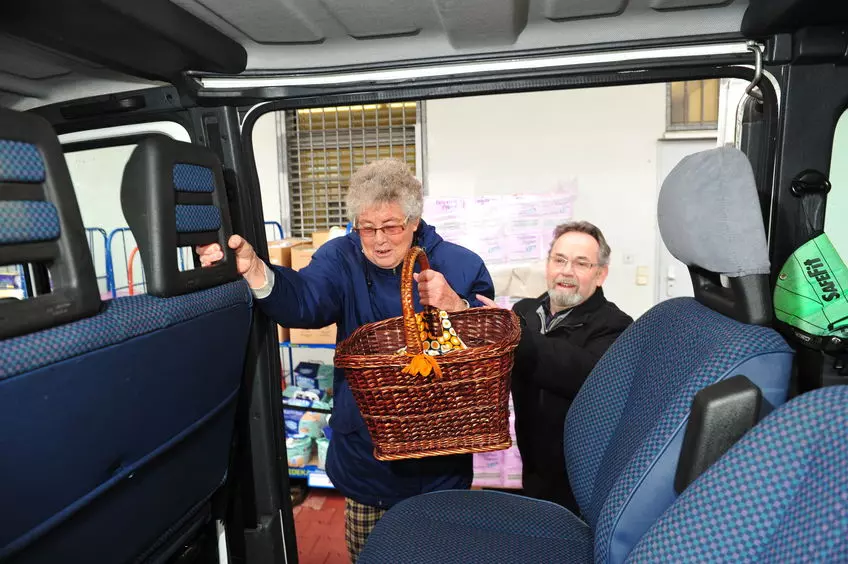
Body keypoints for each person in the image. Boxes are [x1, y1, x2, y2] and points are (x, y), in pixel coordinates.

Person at [197, 158, 494, 562]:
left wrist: (456, 307)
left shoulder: (461, 265)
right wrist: (258, 274)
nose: (379, 240)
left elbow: (490, 354)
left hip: (438, 463)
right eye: (366, 228)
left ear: (414, 221)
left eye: (390, 227)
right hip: (366, 458)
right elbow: (305, 300)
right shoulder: (341, 258)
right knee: (368, 556)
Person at [477, 221, 632, 513]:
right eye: (559, 260)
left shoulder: (617, 326)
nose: (566, 271)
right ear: (548, 265)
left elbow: (578, 371)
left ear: (601, 274)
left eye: (581, 263)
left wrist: (515, 335)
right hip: (531, 466)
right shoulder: (523, 312)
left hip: (581, 478)